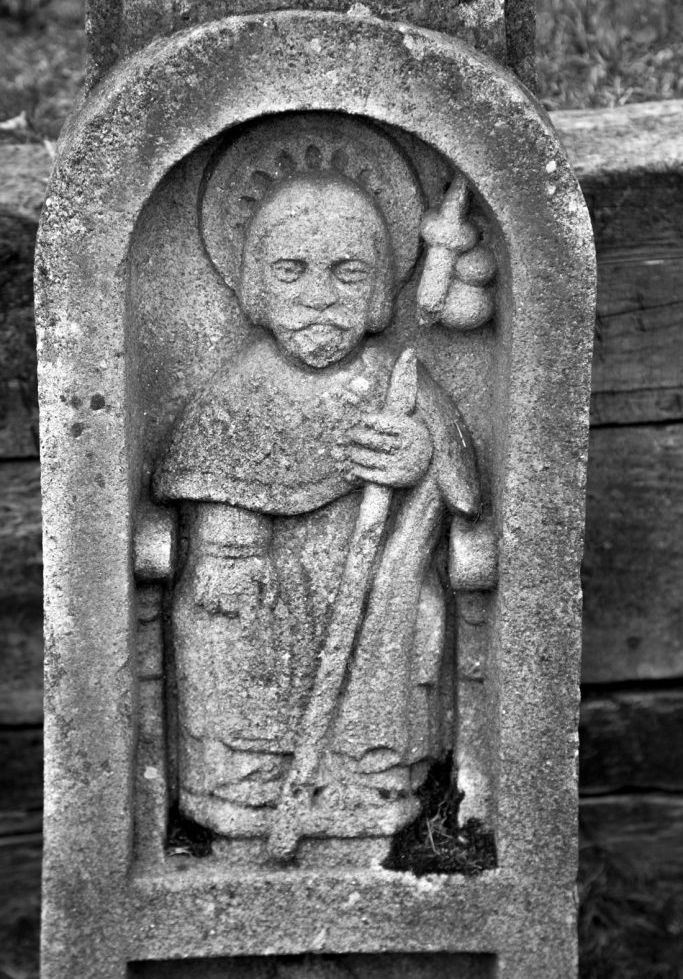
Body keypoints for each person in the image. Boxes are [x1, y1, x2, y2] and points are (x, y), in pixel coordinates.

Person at [153, 153, 480, 846]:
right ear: (254, 286)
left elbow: (456, 482)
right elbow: (213, 483)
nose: (319, 295)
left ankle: (367, 783)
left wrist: (418, 458)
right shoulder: (236, 392)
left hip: (372, 581)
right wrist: (228, 554)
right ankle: (245, 786)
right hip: (258, 579)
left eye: (346, 272)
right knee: (218, 622)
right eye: (290, 271)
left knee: (408, 611)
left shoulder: (397, 380)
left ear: (377, 291)